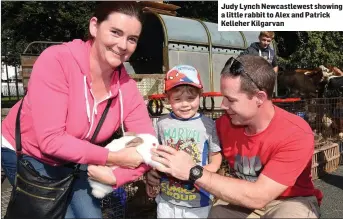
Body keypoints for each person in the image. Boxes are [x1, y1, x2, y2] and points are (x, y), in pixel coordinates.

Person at [1, 2, 155, 218]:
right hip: (29, 151)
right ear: (94, 26)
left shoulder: (126, 87)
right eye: (115, 32)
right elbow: (51, 141)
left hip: (76, 156)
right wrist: (113, 157)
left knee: (89, 215)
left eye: (132, 39)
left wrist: (117, 178)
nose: (122, 45)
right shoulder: (57, 61)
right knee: (48, 211)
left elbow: (150, 144)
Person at [147, 55, 323, 218]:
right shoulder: (224, 124)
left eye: (230, 100)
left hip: (290, 200)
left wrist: (193, 172)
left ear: (259, 98)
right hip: (243, 197)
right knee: (214, 214)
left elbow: (259, 196)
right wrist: (158, 171)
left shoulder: (295, 133)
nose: (223, 105)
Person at [145, 65, 222, 218]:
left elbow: (216, 155)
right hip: (167, 198)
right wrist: (151, 174)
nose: (185, 104)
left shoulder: (208, 124)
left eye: (191, 98)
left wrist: (202, 174)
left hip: (198, 201)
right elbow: (155, 154)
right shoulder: (161, 123)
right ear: (168, 99)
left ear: (200, 95)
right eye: (177, 99)